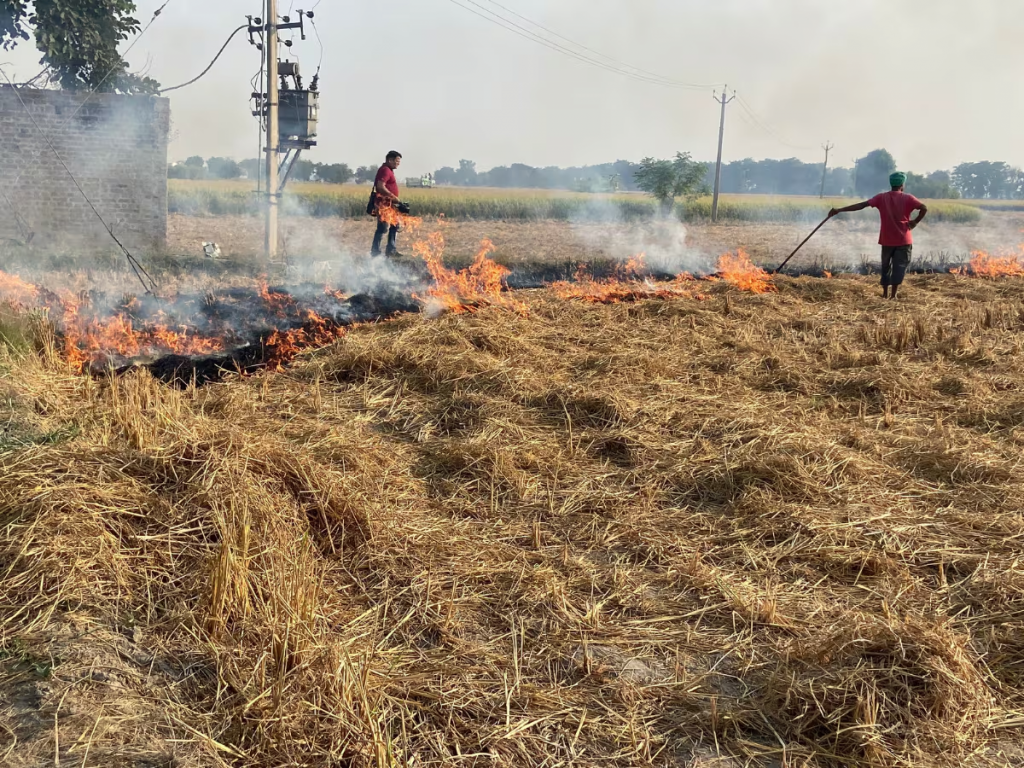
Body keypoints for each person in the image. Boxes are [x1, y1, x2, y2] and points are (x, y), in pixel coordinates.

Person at [828, 172, 928, 299]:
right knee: (899, 267)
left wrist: (839, 210)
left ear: (891, 184)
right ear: (902, 184)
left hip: (886, 240)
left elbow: (861, 205)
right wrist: (915, 222)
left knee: (886, 267)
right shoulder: (908, 198)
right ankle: (894, 295)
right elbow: (924, 208)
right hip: (903, 240)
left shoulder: (881, 197)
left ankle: (885, 294)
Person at [371, 151, 404, 257]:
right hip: (383, 205)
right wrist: (393, 197)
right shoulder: (385, 170)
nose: (398, 163)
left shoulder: (388, 170)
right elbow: (380, 186)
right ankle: (375, 251)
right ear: (390, 160)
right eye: (397, 161)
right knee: (383, 227)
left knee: (395, 224)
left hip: (389, 204)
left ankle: (391, 249)